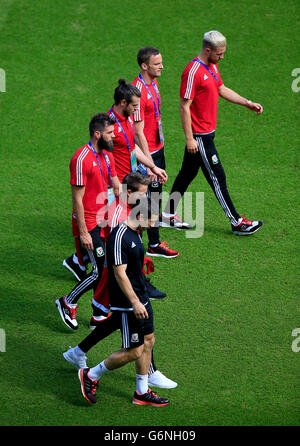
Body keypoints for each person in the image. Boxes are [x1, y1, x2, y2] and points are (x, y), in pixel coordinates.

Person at [63, 173, 178, 390]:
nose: (145, 199)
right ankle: (148, 373)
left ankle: (77, 352)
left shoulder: (132, 211)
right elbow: (118, 255)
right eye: (142, 195)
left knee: (117, 321)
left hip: (125, 275)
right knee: (136, 330)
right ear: (130, 193)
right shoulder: (119, 217)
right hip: (118, 278)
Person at [62, 79, 168, 305]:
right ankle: (108, 291)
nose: (137, 110)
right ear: (123, 103)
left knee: (130, 239)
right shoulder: (112, 128)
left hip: (126, 188)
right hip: (116, 192)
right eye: (135, 106)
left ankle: (121, 281)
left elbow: (132, 148)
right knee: (123, 242)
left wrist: (151, 166)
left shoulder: (126, 121)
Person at [161, 30, 263, 235]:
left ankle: (168, 214)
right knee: (218, 177)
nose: (222, 57)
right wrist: (190, 139)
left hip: (207, 133)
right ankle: (237, 222)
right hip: (200, 137)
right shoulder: (193, 72)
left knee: (187, 173)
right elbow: (184, 106)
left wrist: (247, 103)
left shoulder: (212, 66)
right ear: (208, 50)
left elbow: (221, 89)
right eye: (219, 53)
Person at [77, 197, 170, 406]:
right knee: (135, 350)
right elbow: (119, 274)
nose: (153, 225)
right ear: (140, 216)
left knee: (149, 340)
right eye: (151, 220)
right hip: (128, 302)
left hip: (140, 296)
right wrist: (135, 302)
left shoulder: (136, 232)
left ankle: (141, 392)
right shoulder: (119, 237)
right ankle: (91, 375)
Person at [55, 113, 120, 330]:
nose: (114, 136)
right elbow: (77, 199)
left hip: (104, 220)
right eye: (110, 133)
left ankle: (99, 313)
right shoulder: (81, 159)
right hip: (89, 222)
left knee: (106, 267)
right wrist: (83, 232)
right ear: (97, 134)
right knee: (99, 270)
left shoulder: (107, 156)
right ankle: (67, 301)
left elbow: (114, 187)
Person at [132, 47, 180, 257]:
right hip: (146, 152)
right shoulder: (137, 92)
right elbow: (138, 132)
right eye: (157, 64)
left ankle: (150, 239)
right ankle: (151, 243)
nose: (162, 67)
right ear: (144, 66)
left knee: (156, 196)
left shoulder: (153, 82)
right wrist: (149, 163)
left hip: (157, 147)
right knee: (145, 198)